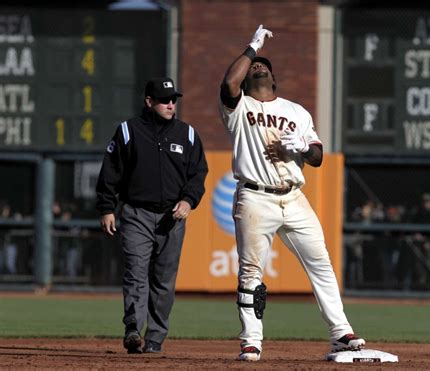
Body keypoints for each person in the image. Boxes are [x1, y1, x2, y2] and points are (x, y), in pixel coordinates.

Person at [218, 25, 365, 361]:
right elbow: (229, 83)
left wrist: (302, 147)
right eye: (254, 65)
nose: (258, 67)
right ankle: (251, 341)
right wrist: (252, 47)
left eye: (263, 65)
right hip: (255, 197)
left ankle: (341, 333)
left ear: (274, 79)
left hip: (294, 197)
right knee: (251, 271)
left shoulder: (296, 111)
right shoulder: (238, 108)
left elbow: (317, 157)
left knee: (322, 264)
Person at [96, 77, 208, 354]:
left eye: (173, 100)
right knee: (136, 272)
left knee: (164, 281)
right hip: (136, 214)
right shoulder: (128, 131)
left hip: (172, 218)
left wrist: (188, 200)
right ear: (149, 102)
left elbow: (198, 174)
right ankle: (134, 328)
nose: (171, 104)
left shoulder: (188, 134)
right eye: (164, 100)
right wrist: (107, 208)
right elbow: (110, 173)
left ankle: (155, 338)